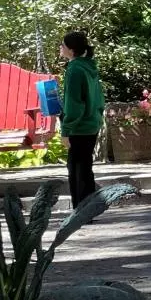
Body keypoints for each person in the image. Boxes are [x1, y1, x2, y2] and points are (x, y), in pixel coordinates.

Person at [59, 32, 105, 209]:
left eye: (63, 45)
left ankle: (82, 210)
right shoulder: (89, 66)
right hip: (92, 122)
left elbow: (74, 103)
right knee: (85, 168)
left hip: (79, 126)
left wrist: (66, 129)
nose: (60, 48)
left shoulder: (75, 70)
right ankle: (90, 208)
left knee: (76, 170)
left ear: (71, 50)